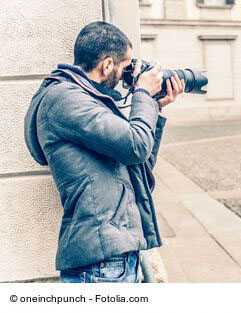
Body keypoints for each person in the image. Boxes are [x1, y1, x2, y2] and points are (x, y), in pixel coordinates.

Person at [23, 21, 184, 283]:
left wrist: (155, 107)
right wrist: (142, 92)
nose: (126, 76)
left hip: (111, 258)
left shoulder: (89, 101)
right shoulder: (66, 100)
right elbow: (136, 145)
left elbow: (140, 165)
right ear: (107, 65)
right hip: (101, 264)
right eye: (125, 66)